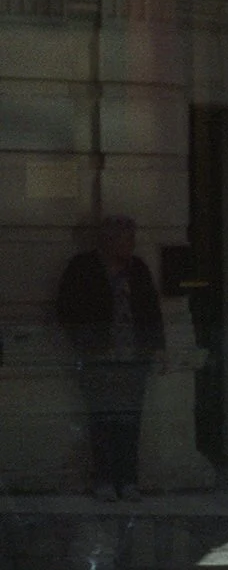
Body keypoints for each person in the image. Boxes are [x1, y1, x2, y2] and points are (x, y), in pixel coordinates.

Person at [56, 215, 165, 503]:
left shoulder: (137, 269)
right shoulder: (83, 268)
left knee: (130, 420)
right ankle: (104, 479)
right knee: (101, 419)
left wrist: (156, 347)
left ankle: (128, 479)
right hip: (98, 355)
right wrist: (83, 341)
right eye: (126, 239)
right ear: (108, 241)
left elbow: (151, 308)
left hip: (133, 356)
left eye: (132, 239)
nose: (131, 245)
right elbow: (66, 307)